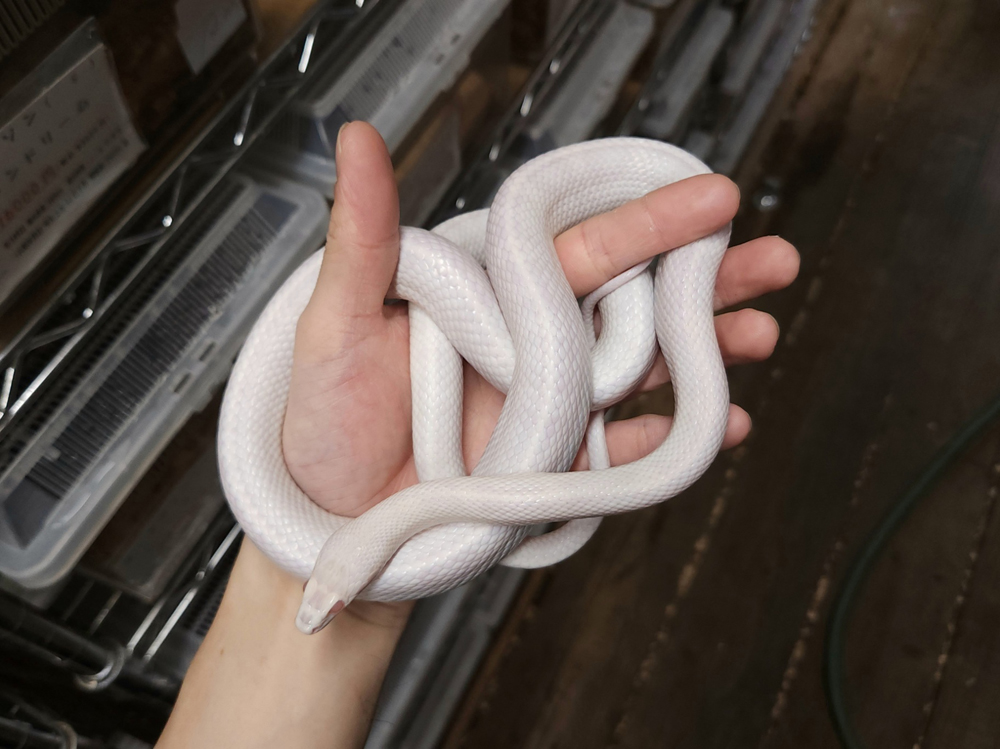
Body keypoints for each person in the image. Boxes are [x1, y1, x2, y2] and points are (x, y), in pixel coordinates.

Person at [155, 122, 799, 748]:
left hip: (504, 326)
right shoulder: (341, 534)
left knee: (657, 232)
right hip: (445, 454)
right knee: (586, 353)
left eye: (337, 600)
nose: (324, 613)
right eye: (337, 604)